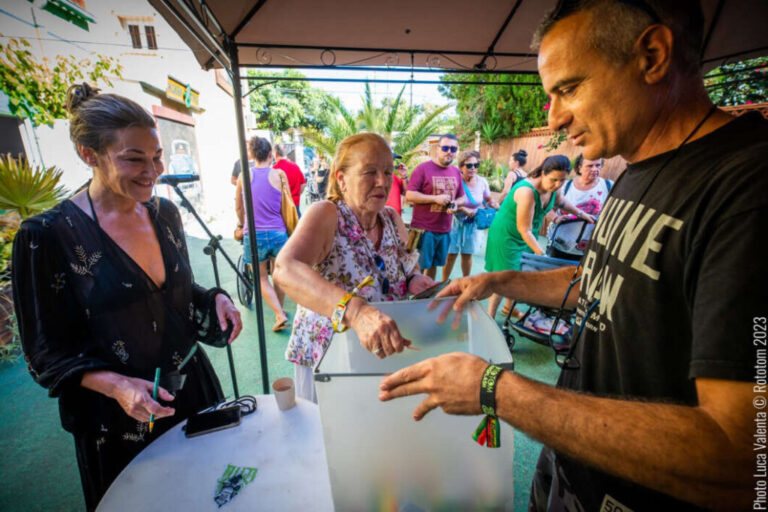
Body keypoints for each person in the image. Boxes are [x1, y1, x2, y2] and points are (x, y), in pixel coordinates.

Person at [379, 1, 764, 510]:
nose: (555, 118)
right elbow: (600, 283)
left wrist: (497, 389)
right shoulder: (636, 169)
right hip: (573, 470)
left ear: (652, 55)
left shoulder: (747, 186)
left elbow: (743, 455)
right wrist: (499, 282)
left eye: (568, 88)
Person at [11, 83, 243, 511]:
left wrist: (214, 300)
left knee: (211, 498)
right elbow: (46, 351)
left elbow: (172, 293)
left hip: (192, 390)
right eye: (134, 159)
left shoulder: (165, 212)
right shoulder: (46, 236)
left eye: (156, 157)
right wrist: (118, 387)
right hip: (119, 415)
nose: (152, 171)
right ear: (89, 154)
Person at [273, 133, 437, 402]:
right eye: (369, 172)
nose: (382, 181)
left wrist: (415, 279)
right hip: (331, 361)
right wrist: (356, 311)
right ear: (341, 179)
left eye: (387, 171)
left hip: (382, 352)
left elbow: (409, 268)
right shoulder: (327, 214)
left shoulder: (392, 218)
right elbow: (285, 268)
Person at [484, 155, 593, 319]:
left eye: (562, 180)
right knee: (504, 277)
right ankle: (489, 318)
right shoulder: (527, 192)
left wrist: (582, 214)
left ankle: (508, 308)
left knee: (520, 273)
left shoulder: (554, 189)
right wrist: (542, 255)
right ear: (543, 173)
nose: (557, 184)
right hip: (507, 235)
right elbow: (524, 229)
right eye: (554, 179)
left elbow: (561, 203)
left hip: (528, 234)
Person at [235, 136, 291, 331]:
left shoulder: (243, 176)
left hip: (254, 234)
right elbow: (287, 205)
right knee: (279, 276)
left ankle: (279, 314)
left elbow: (239, 208)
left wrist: (242, 225)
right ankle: (280, 311)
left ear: (252, 155)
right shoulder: (279, 175)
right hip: (278, 233)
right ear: (270, 154)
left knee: (260, 278)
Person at [405, 134, 465, 280]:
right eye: (445, 148)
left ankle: (427, 296)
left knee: (433, 266)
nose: (449, 151)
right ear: (437, 149)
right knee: (416, 267)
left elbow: (462, 197)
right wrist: (435, 199)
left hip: (444, 230)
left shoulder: (456, 172)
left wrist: (456, 204)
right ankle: (411, 299)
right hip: (424, 230)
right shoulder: (422, 169)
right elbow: (410, 195)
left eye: (453, 148)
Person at [442, 150, 499, 281]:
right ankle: (443, 282)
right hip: (455, 222)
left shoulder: (482, 182)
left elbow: (488, 198)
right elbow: (448, 205)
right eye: (468, 165)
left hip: (473, 224)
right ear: (461, 166)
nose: (473, 168)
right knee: (451, 255)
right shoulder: (454, 182)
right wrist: (463, 209)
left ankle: (465, 283)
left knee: (467, 255)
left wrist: (494, 203)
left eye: (476, 165)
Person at [547, 154, 613, 259]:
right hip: (559, 246)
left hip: (588, 250)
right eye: (590, 166)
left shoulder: (608, 187)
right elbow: (547, 209)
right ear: (580, 167)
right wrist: (555, 218)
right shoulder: (565, 186)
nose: (595, 169)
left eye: (598, 165)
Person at [274, 143, 306, 216]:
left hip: (282, 207)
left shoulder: (274, 170)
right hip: (295, 205)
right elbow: (303, 184)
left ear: (275, 154)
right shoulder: (295, 166)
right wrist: (297, 193)